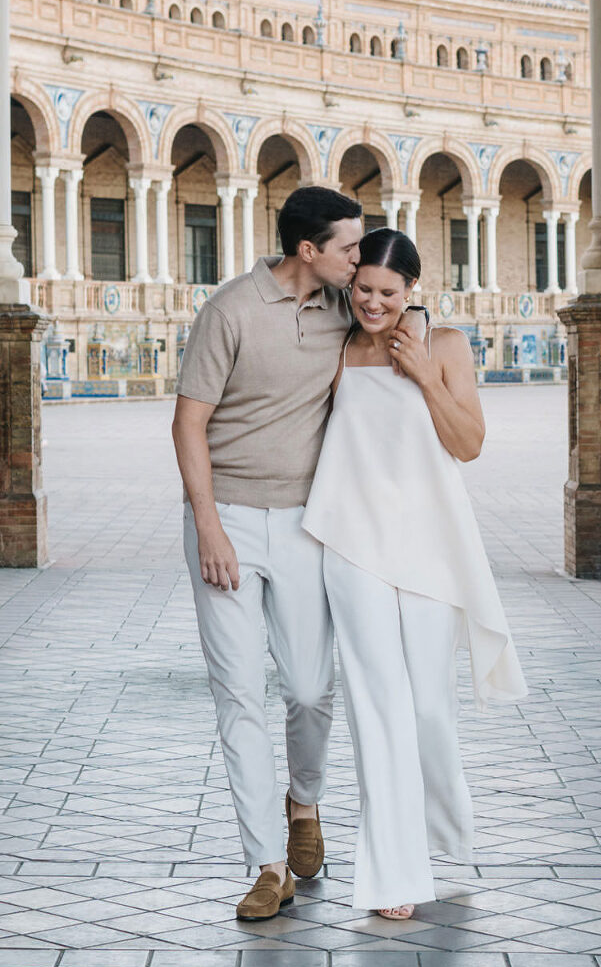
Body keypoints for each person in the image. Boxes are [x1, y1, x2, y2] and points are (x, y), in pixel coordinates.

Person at [303, 227, 526, 919]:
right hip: (351, 544)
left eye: (388, 293)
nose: (373, 303)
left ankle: (443, 836)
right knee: (379, 707)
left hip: (427, 545)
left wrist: (426, 372)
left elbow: (469, 444)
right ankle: (393, 877)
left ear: (413, 291)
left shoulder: (447, 344)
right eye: (363, 288)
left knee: (428, 706)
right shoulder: (337, 348)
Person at [172, 184, 364, 921]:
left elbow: (400, 309)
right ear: (307, 250)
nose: (359, 256)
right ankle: (266, 863)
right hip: (226, 524)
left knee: (313, 687)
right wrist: (209, 526)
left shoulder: (345, 308)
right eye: (348, 245)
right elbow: (190, 424)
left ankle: (303, 802)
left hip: (307, 524)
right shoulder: (231, 310)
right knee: (239, 692)